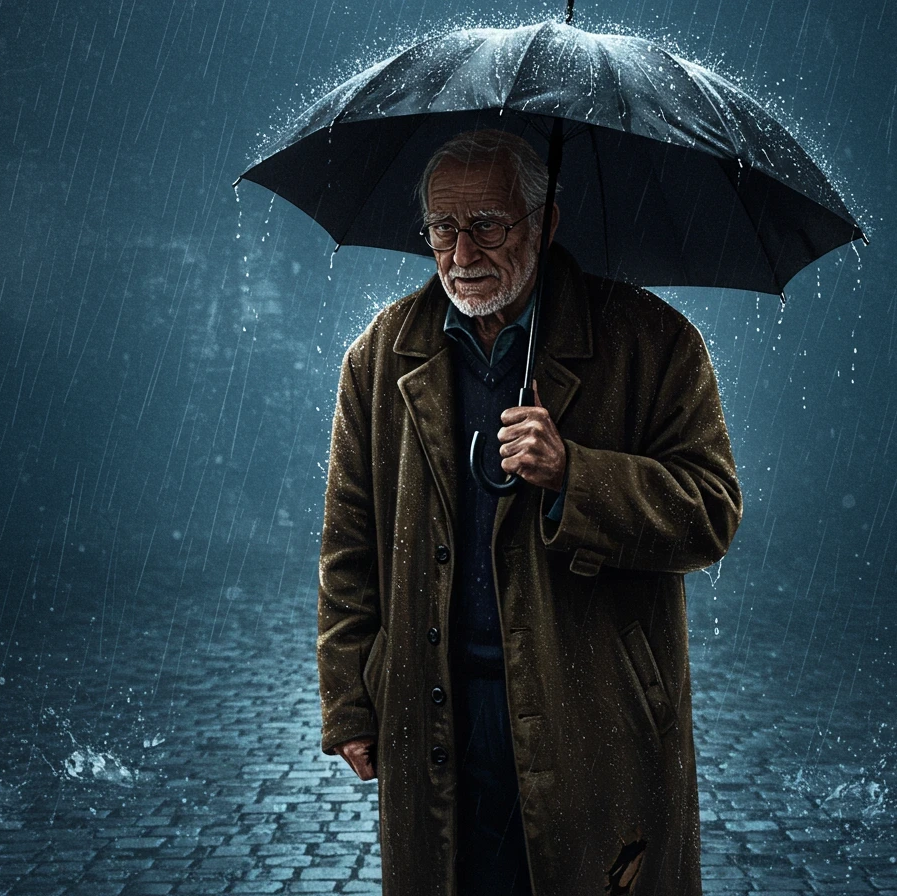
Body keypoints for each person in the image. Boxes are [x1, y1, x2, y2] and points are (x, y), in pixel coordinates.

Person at [317, 129, 742, 896]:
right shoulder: (379, 358)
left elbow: (710, 512)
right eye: (442, 228)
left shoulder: (653, 343)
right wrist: (350, 700)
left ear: (545, 224)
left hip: (595, 717)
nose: (461, 253)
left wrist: (576, 474)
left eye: (487, 225)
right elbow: (349, 546)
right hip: (435, 712)